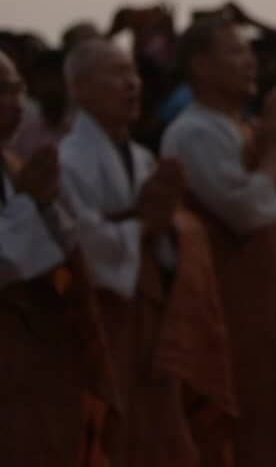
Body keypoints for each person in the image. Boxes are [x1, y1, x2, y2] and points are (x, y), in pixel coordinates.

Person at [159, 16, 276, 467]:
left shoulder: (250, 128)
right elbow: (247, 213)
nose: (250, 63)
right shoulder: (191, 132)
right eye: (236, 53)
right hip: (234, 304)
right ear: (200, 67)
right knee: (251, 420)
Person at [58, 38, 238, 467]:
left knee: (161, 431)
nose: (132, 85)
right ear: (80, 88)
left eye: (133, 74)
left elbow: (164, 233)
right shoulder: (68, 161)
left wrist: (172, 229)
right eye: (117, 75)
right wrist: (144, 225)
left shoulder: (142, 158)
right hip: (103, 320)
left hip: (153, 319)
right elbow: (81, 242)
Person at [0, 49, 118, 467]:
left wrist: (46, 204)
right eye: (3, 90)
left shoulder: (13, 166)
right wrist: (31, 203)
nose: (17, 102)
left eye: (19, 90)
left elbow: (63, 246)